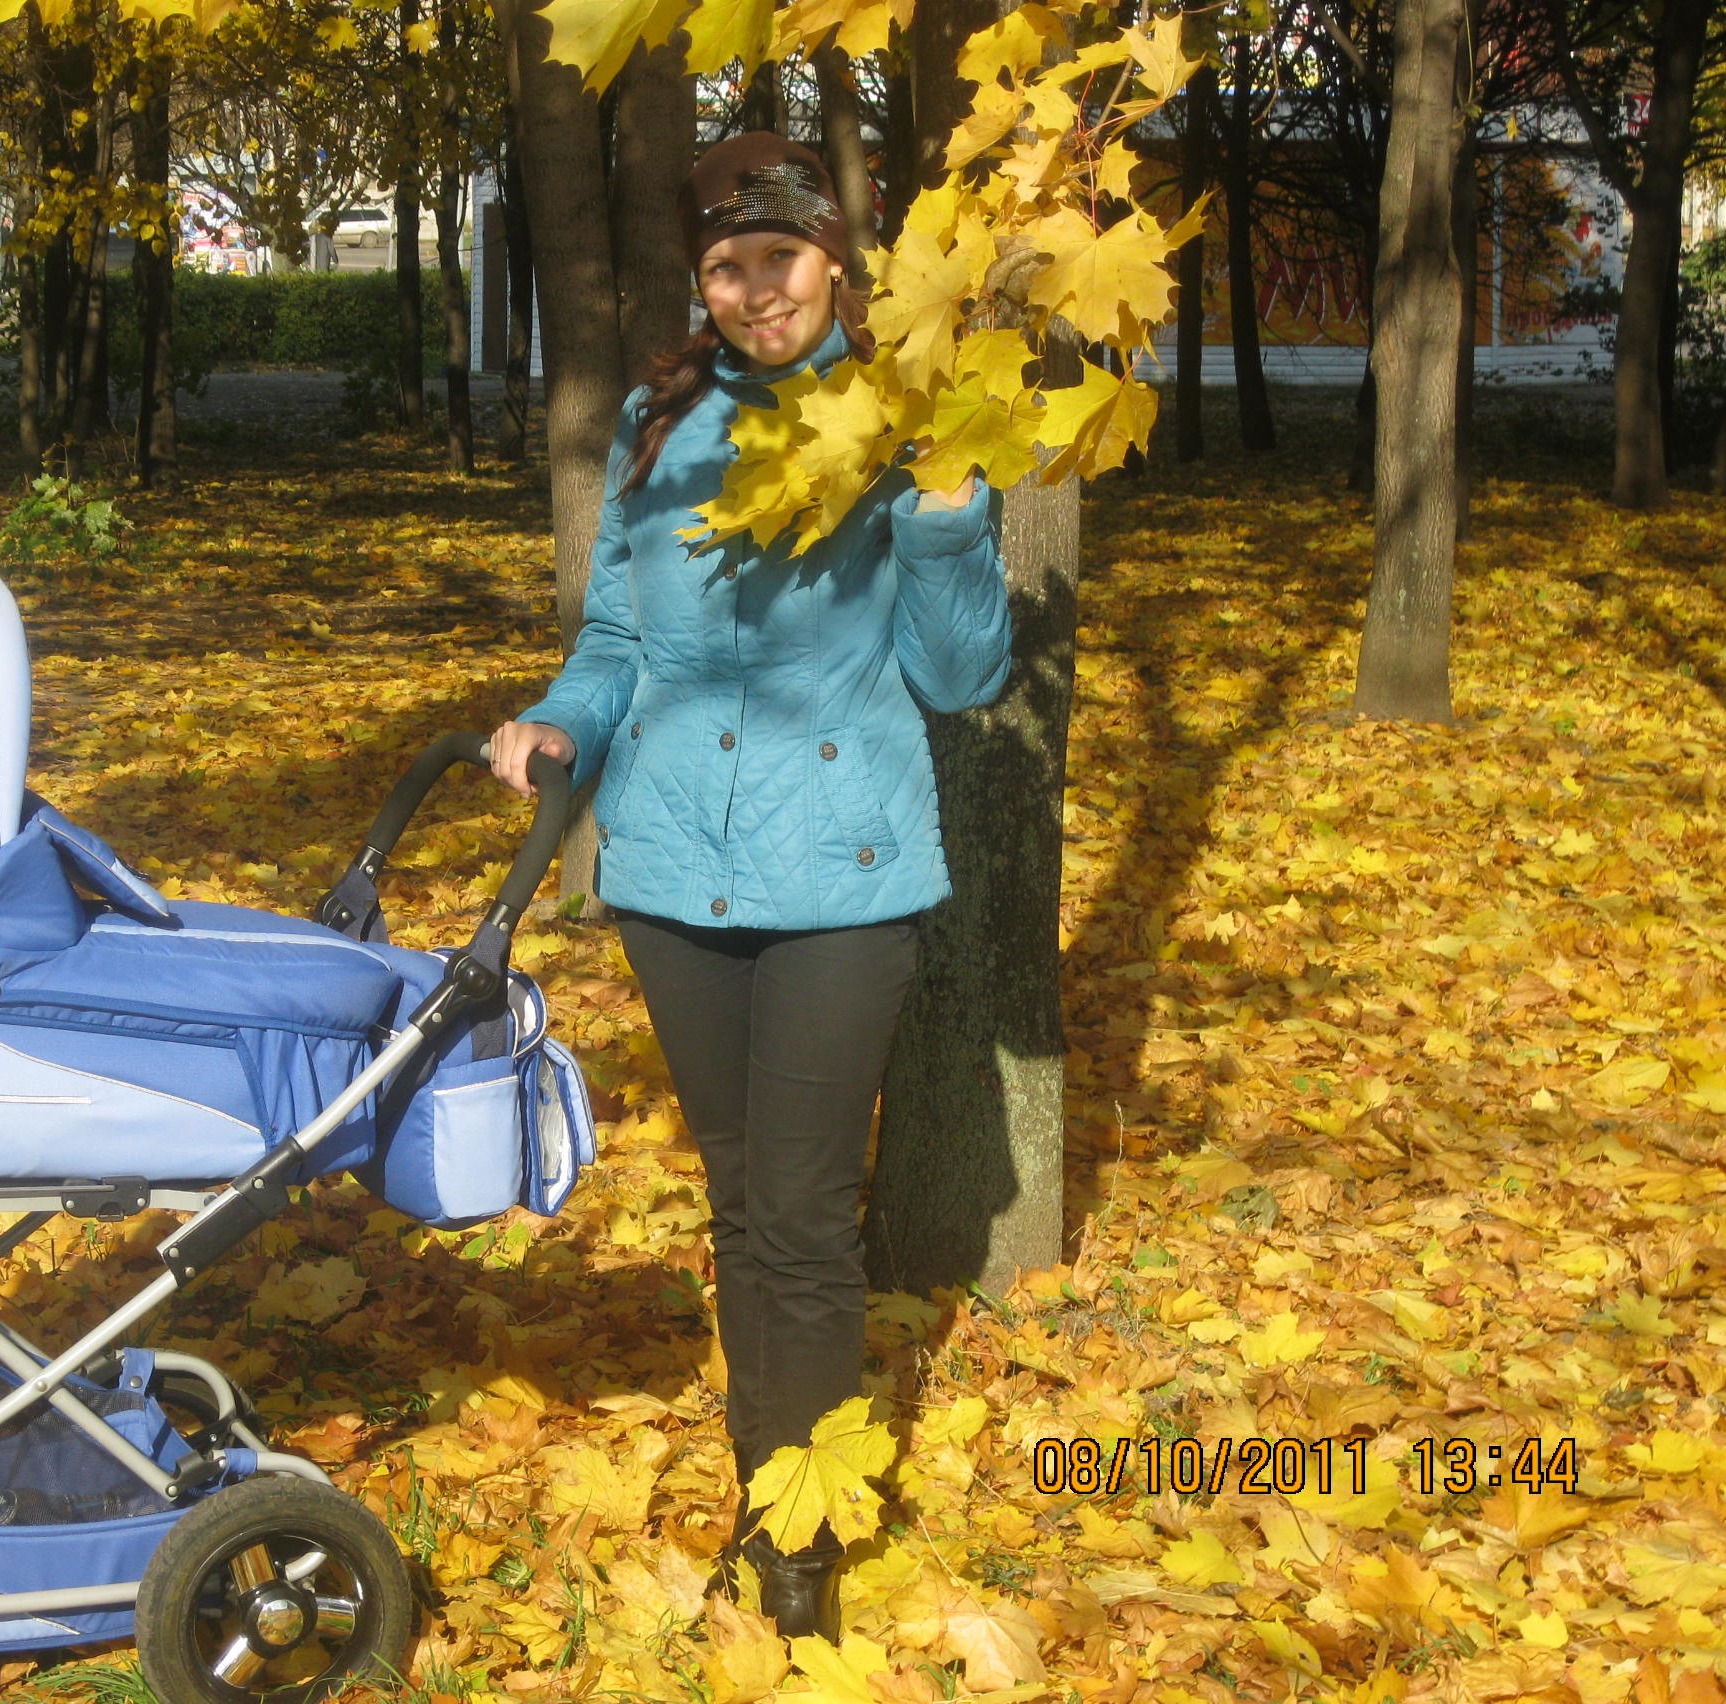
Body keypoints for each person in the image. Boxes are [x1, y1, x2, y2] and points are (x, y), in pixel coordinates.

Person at [487, 134, 1012, 1638]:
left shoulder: (905, 415)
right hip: (670, 874)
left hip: (843, 877)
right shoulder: (658, 423)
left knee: (800, 1218)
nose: (754, 288)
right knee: (738, 1207)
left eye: (779, 256)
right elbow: (616, 642)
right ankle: (762, 1489)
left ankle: (803, 1542)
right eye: (725, 266)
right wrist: (558, 724)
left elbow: (962, 676)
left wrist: (946, 510)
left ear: (834, 262)